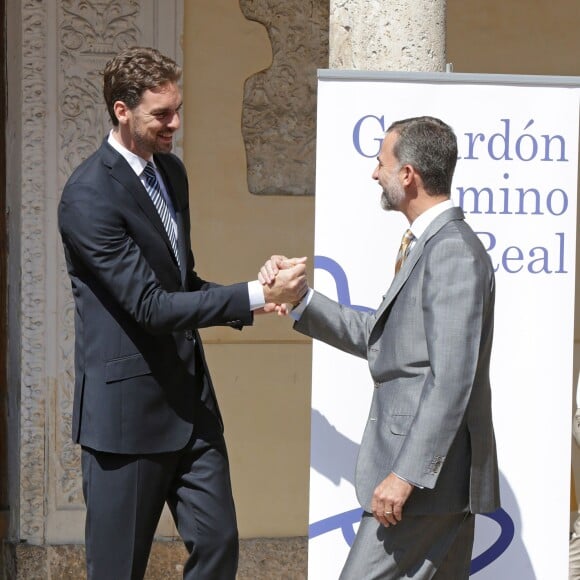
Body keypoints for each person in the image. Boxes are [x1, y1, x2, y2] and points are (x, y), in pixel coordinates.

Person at [58, 46, 307, 580]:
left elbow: (181, 285)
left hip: (191, 406)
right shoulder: (87, 196)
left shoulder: (171, 173)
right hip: (125, 419)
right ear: (122, 112)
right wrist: (251, 296)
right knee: (117, 570)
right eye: (161, 115)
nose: (176, 123)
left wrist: (257, 296)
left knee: (219, 547)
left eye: (178, 109)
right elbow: (148, 306)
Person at [261, 116, 500, 579]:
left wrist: (405, 474)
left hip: (421, 490)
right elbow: (387, 341)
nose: (375, 173)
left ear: (407, 174)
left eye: (381, 162)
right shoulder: (429, 245)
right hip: (430, 489)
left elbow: (452, 380)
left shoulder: (451, 251)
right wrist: (301, 301)